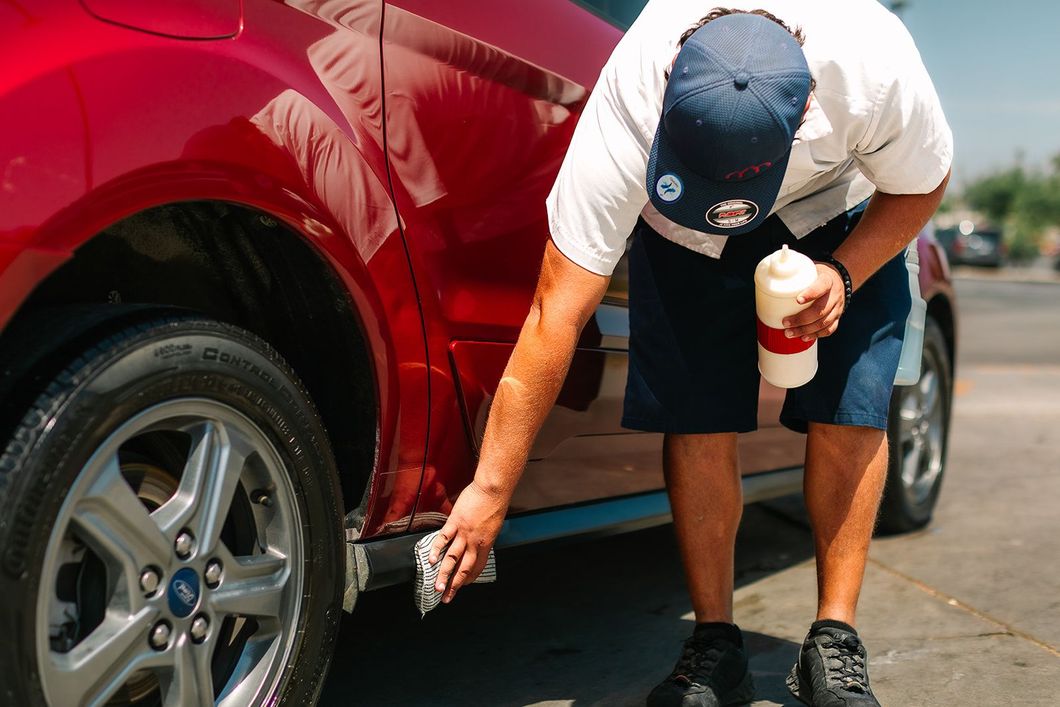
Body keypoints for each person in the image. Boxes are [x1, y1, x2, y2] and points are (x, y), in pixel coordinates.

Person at [427, 2, 952, 705]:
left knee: (851, 401)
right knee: (697, 410)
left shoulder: (874, 63)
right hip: (682, 236)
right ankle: (715, 643)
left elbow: (921, 182)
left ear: (805, 115)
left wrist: (845, 273)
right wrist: (490, 489)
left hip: (838, 210)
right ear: (671, 84)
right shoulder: (626, 106)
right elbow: (557, 311)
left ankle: (835, 638)